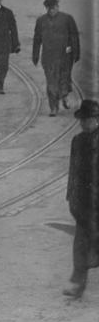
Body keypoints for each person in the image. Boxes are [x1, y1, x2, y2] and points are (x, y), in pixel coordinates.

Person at [64, 99, 99, 298]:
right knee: (81, 244)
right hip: (84, 202)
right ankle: (78, 282)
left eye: (88, 120)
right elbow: (73, 171)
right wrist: (71, 196)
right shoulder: (77, 141)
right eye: (82, 120)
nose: (84, 123)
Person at [33, 0, 81, 117]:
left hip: (65, 57)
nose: (51, 10)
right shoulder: (41, 21)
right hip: (48, 58)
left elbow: (74, 36)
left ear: (57, 6)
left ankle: (64, 96)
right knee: (51, 83)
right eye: (49, 7)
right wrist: (35, 55)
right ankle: (53, 107)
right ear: (46, 8)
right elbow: (37, 39)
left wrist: (76, 52)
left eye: (54, 7)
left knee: (64, 80)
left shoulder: (67, 19)